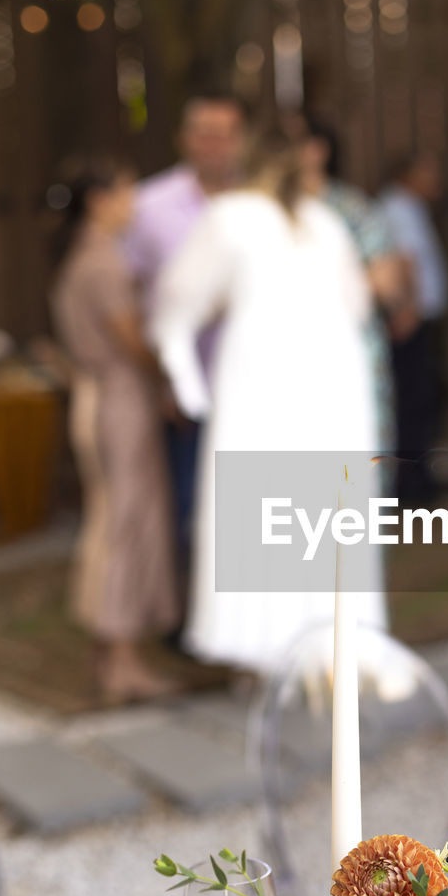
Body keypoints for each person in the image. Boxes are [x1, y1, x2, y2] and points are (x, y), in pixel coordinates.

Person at [152, 131, 387, 674]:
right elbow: (356, 305)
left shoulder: (232, 216)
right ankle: (323, 645)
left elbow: (176, 302)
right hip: (327, 377)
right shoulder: (325, 223)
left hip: (268, 376)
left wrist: (188, 381)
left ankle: (266, 650)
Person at [51, 163, 179, 702]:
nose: (134, 204)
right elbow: (131, 340)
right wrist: (168, 381)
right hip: (119, 400)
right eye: (127, 193)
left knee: (110, 521)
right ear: (100, 200)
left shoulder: (85, 259)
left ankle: (109, 655)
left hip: (100, 397)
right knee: (126, 526)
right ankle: (122, 658)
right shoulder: (102, 264)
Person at [124, 94, 248, 561]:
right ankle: (189, 614)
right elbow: (130, 296)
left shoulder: (261, 203)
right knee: (190, 500)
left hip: (253, 382)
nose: (215, 145)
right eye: (204, 132)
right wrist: (161, 376)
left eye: (226, 133)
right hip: (187, 383)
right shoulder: (149, 205)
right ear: (184, 139)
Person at [291, 114, 409, 465]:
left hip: (346, 349)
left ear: (318, 151)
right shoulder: (262, 209)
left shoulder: (350, 208)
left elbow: (387, 281)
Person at [380, 152, 448, 502]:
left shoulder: (412, 208)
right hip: (410, 319)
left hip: (418, 317)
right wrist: (406, 309)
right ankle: (410, 482)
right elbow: (405, 260)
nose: (435, 180)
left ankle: (416, 476)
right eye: (428, 172)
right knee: (412, 399)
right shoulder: (398, 209)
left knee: (418, 398)